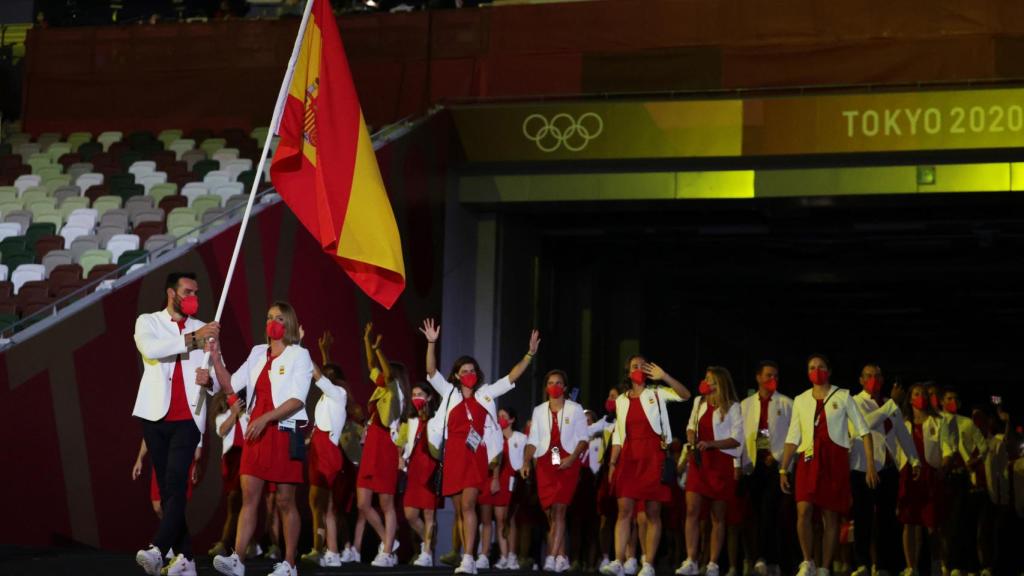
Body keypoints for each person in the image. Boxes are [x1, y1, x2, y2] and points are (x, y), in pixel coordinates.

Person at [419, 318, 540, 575]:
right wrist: (431, 343)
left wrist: (529, 354)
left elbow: (511, 376)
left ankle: (468, 558)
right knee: (460, 511)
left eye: (472, 370)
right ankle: (468, 553)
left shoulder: (486, 393)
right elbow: (430, 372)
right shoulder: (449, 393)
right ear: (456, 375)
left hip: (475, 456)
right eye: (464, 371)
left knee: (469, 505)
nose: (469, 374)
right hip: (452, 456)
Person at [210, 301, 314, 576]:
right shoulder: (258, 352)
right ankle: (238, 559)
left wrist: (266, 418)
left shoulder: (299, 355)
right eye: (269, 317)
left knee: (284, 501)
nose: (273, 322)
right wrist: (216, 356)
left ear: (289, 323)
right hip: (256, 435)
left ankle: (289, 563)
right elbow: (231, 384)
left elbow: (297, 400)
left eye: (279, 318)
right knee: (249, 499)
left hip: (282, 431)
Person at [132, 272, 220, 576]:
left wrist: (210, 382)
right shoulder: (149, 322)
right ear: (172, 293)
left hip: (188, 419)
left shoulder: (203, 328)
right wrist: (195, 338)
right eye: (188, 291)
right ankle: (186, 559)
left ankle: (158, 549)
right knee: (170, 491)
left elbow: (220, 381)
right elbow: (152, 350)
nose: (194, 296)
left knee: (176, 483)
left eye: (196, 291)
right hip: (155, 416)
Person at [779, 354, 876, 576]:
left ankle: (824, 567)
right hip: (808, 459)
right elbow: (793, 437)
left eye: (821, 367)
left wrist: (870, 465)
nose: (816, 370)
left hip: (834, 459)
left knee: (830, 516)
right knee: (803, 510)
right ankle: (807, 561)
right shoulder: (801, 399)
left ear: (829, 371)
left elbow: (864, 431)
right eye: (812, 367)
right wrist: (783, 468)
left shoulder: (842, 396)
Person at [602, 355, 691, 576]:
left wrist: (665, 377)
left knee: (652, 512)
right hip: (629, 457)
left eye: (643, 366)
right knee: (624, 510)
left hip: (653, 455)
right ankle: (618, 560)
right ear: (627, 371)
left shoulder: (657, 393)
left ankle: (648, 563)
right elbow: (618, 435)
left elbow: (685, 395)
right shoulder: (622, 400)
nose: (639, 369)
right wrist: (613, 462)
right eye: (634, 366)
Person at [848, 364, 919, 576]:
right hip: (863, 467)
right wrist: (891, 405)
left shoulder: (889, 403)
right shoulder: (854, 401)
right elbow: (864, 424)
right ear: (861, 380)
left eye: (878, 376)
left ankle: (882, 565)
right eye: (869, 376)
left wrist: (915, 460)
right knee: (863, 517)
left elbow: (902, 434)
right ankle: (861, 563)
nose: (874, 380)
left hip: (889, 468)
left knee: (887, 519)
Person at [676, 366, 742, 576]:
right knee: (692, 510)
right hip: (699, 461)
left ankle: (713, 563)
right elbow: (690, 426)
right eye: (705, 378)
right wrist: (691, 436)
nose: (706, 382)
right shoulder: (699, 402)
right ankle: (691, 559)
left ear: (720, 383)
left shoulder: (732, 407)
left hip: (720, 463)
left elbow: (736, 439)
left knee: (717, 516)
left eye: (710, 379)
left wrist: (712, 443)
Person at [522, 370, 589, 573]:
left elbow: (583, 439)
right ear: (546, 387)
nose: (554, 386)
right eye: (551, 382)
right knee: (550, 513)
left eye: (559, 382)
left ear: (565, 387)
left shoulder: (576, 409)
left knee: (560, 510)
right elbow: (533, 440)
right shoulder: (539, 410)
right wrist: (525, 462)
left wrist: (571, 458)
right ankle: (562, 556)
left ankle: (551, 556)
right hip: (546, 462)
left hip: (567, 461)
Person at [354, 323, 409, 568]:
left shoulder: (395, 390)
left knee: (386, 503)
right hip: (372, 444)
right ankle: (388, 539)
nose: (382, 375)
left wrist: (379, 350)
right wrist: (367, 341)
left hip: (386, 444)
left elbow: (385, 373)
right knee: (363, 503)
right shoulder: (381, 390)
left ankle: (387, 550)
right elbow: (371, 367)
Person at [737, 361, 792, 576]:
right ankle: (764, 559)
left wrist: (778, 458)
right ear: (758, 377)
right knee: (757, 514)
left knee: (772, 511)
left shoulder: (787, 403)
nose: (773, 379)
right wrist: (739, 465)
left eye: (776, 375)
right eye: (769, 375)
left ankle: (767, 559)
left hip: (777, 467)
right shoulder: (746, 405)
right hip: (753, 465)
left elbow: (792, 436)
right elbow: (741, 437)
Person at [301, 330, 348, 568]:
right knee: (317, 503)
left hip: (329, 453)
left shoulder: (339, 394)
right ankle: (322, 548)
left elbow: (321, 376)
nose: (325, 378)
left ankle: (333, 551)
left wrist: (300, 348)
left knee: (328, 505)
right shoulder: (324, 400)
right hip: (318, 450)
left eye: (330, 376)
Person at [938, 386, 987, 576]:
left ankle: (961, 564)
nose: (951, 401)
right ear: (942, 401)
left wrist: (973, 461)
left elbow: (983, 447)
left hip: (960, 476)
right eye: (948, 397)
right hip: (942, 475)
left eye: (955, 398)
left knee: (962, 521)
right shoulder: (937, 421)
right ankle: (945, 562)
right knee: (944, 522)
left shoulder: (966, 423)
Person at [896, 383, 942, 576]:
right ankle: (911, 566)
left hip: (929, 474)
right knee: (909, 522)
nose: (920, 397)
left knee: (931, 524)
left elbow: (944, 448)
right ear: (909, 398)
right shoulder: (903, 421)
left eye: (923, 394)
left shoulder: (937, 421)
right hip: (907, 475)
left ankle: (935, 564)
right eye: (916, 394)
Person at [401, 382, 441, 567]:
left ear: (429, 397)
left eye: (420, 394)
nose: (417, 397)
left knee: (429, 513)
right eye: (414, 393)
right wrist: (400, 457)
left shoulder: (437, 419)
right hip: (414, 468)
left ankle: (426, 553)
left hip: (430, 467)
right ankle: (428, 542)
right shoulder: (410, 420)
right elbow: (402, 442)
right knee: (410, 514)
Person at [210, 393, 248, 557]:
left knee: (240, 501)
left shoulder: (247, 414)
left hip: (246, 457)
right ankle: (246, 543)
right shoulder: (223, 416)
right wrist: (233, 413)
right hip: (231, 459)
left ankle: (226, 543)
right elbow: (222, 430)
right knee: (235, 502)